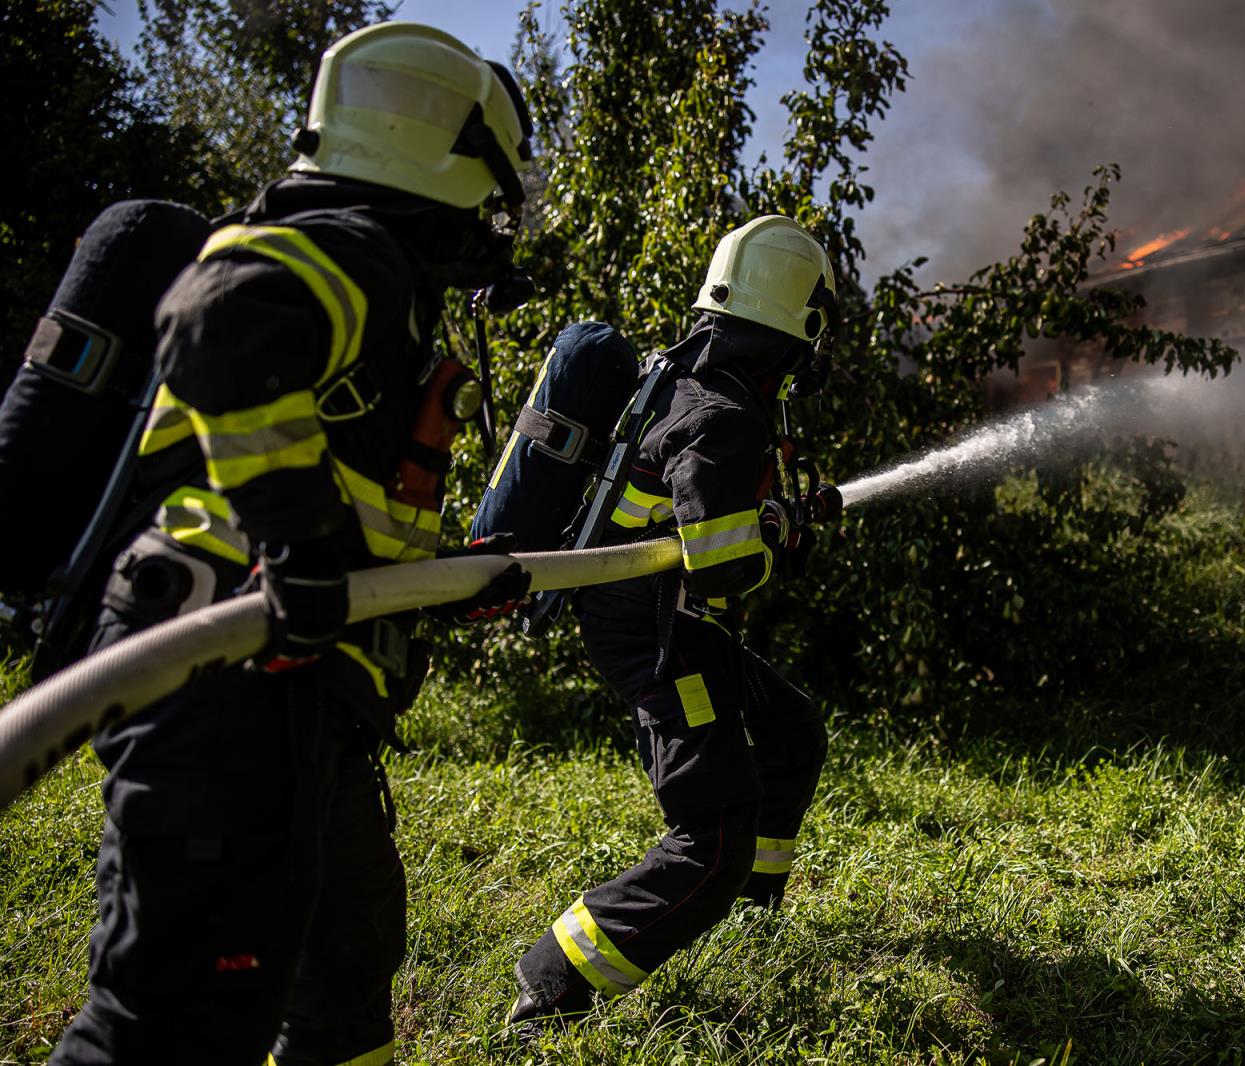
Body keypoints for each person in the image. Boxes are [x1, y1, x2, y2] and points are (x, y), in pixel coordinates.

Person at [53, 22, 535, 1065]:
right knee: (176, 1012)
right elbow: (220, 322)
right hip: (222, 670)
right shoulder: (343, 244)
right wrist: (301, 551)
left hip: (302, 686)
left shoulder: (375, 280)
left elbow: (347, 502)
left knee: (345, 961)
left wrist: (438, 581)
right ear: (454, 163)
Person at [509, 215, 839, 1026]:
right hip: (660, 634)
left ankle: (754, 915)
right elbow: (725, 563)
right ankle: (553, 980)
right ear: (799, 325)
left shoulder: (688, 378)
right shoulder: (725, 415)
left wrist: (773, 521)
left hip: (674, 619)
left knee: (793, 732)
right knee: (714, 836)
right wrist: (773, 534)